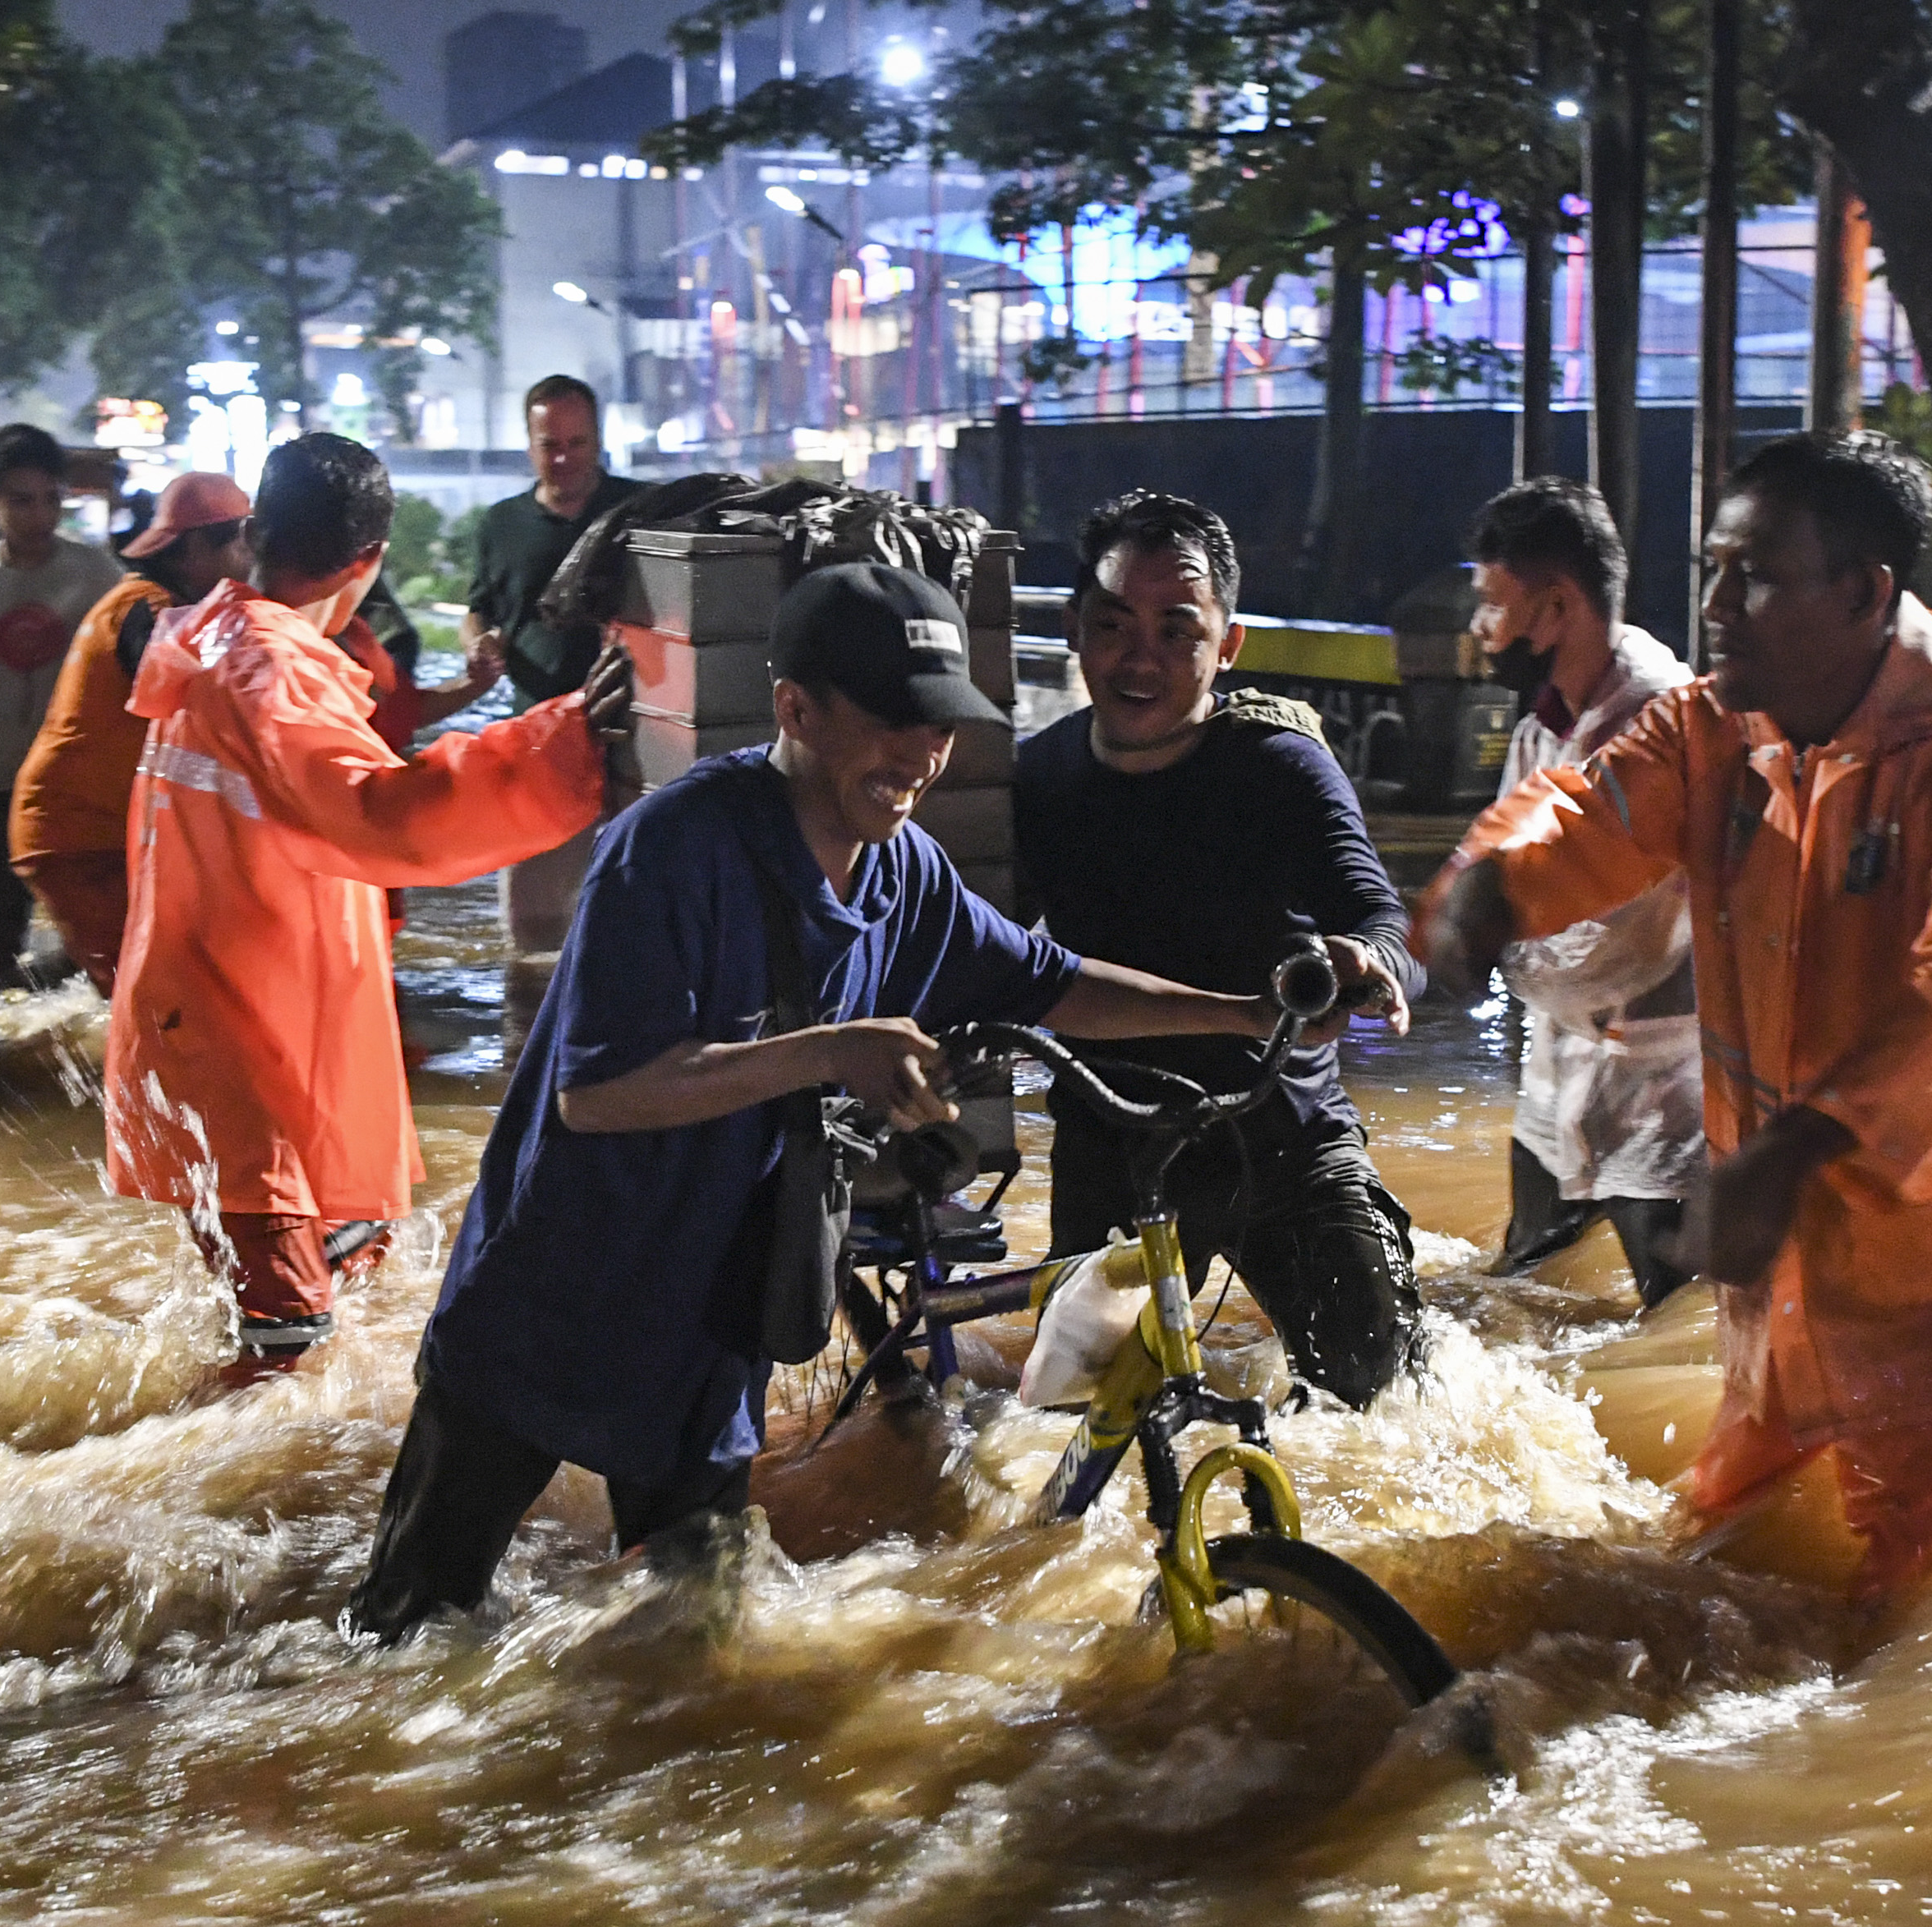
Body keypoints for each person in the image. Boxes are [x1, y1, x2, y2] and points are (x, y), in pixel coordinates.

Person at [348, 562, 1385, 1642]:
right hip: (557, 1295)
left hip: (712, 1321)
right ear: (796, 708)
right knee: (404, 1634)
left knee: (693, 1646)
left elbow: (1055, 980)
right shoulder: (673, 850)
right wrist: (832, 1049)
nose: (923, 756)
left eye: (941, 726)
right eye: (894, 720)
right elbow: (599, 1094)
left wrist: (1236, 1010)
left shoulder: (908, 873)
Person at [1418, 430, 1932, 1598]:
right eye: (1714, 569)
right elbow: (1583, 806)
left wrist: (1790, 1152)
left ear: (1866, 591)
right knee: (1725, 1517)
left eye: (1756, 576)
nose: (1717, 604)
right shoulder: (1713, 727)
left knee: (1916, 1582)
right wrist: (1487, 887)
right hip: (1777, 1226)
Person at [107, 433, 607, 1369]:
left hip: (247, 1038)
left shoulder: (209, 636)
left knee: (354, 1279)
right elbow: (388, 819)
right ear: (370, 561)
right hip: (242, 1057)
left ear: (254, 531)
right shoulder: (273, 668)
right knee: (284, 1358)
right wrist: (569, 742)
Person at [1010, 490, 1426, 1409]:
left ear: (1226, 647)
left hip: (1279, 1141)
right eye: (1114, 624)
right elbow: (971, 941)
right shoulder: (1034, 781)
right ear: (1076, 628)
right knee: (1065, 1436)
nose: (1140, 658)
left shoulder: (1277, 766)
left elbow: (1380, 918)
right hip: (1111, 1146)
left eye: (1176, 631)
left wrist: (1369, 965)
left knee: (1386, 1408)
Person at [1465, 477, 1703, 1308]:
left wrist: (1488, 942)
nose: (1478, 631)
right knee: (1517, 1278)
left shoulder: (1654, 727)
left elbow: (1617, 942)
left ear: (1556, 608)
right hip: (1563, 1057)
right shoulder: (1545, 717)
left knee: (1672, 1320)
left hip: (1659, 1075)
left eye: (1492, 606)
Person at [12, 470, 260, 995]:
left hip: (84, 829)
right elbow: (193, 691)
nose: (249, 559)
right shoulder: (149, 608)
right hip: (82, 834)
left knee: (141, 981)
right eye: (242, 541)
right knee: (146, 996)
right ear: (194, 547)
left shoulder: (143, 602)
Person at [0, 422, 124, 986]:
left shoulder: (99, 577)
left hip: (77, 782)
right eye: (21, 501)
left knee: (92, 951)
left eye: (51, 500)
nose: (39, 516)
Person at [461, 375, 638, 706]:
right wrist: (477, 645)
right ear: (530, 446)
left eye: (576, 443)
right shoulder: (500, 523)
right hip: (536, 721)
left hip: (632, 719)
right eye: (550, 445)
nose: (562, 458)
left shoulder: (643, 510)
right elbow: (478, 611)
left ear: (598, 441)